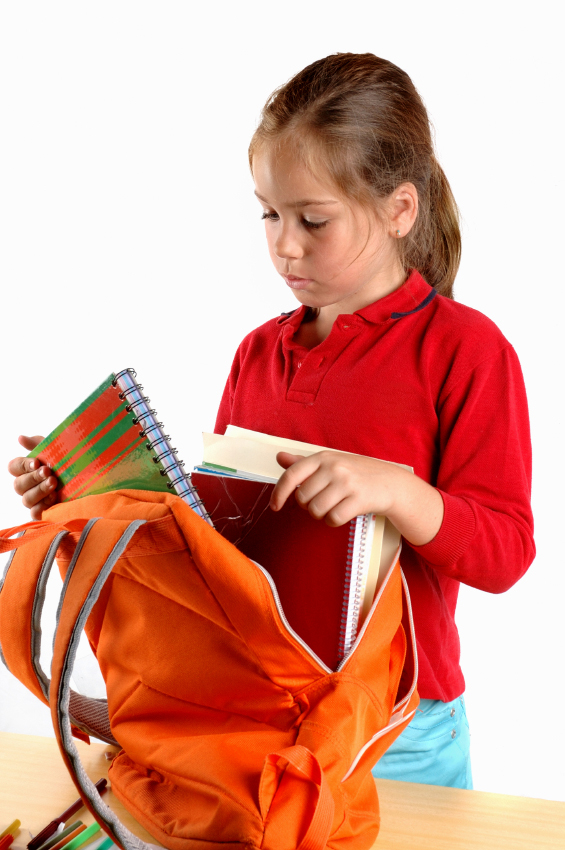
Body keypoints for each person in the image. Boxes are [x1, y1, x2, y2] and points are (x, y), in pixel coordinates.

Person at [8, 53, 535, 790]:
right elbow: (219, 555)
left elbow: (506, 553)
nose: (285, 245)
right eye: (269, 213)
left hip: (398, 731)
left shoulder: (465, 350)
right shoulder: (257, 353)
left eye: (313, 220)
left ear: (399, 210)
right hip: (256, 717)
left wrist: (397, 491)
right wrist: (87, 496)